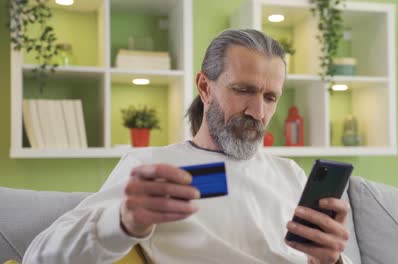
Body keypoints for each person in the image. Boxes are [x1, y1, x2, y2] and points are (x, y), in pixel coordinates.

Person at [23, 29, 352, 264]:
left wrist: (330, 260)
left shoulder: (288, 173)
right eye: (243, 90)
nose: (258, 112)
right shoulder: (152, 166)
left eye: (270, 97)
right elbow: (40, 257)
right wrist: (123, 221)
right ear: (204, 87)